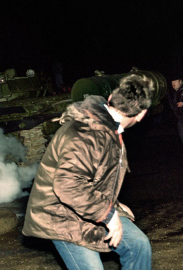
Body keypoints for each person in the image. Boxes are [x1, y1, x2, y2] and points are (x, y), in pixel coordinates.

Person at [22, 74, 153, 269]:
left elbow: (93, 175)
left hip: (86, 207)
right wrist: (108, 214)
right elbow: (68, 185)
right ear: (141, 114)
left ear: (110, 99)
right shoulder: (84, 133)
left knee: (138, 245)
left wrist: (114, 205)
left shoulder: (109, 127)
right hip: (62, 217)